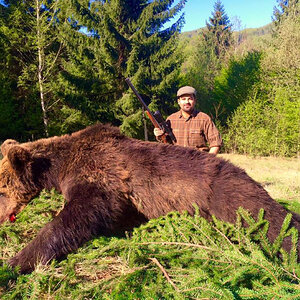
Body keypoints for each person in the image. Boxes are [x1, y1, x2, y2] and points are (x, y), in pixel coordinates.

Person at [154, 86, 222, 154]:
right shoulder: (170, 119)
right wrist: (159, 134)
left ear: (195, 100)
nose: (187, 102)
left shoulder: (204, 119)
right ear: (178, 101)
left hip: (198, 161)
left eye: (190, 99)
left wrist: (208, 162)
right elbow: (165, 142)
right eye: (183, 99)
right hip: (176, 161)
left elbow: (215, 144)